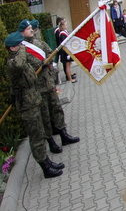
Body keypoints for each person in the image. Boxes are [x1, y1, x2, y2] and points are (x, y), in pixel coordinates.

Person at [5, 32, 63, 178]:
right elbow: (18, 65)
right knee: (36, 137)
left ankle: (47, 161)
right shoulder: (12, 63)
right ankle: (45, 168)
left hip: (34, 100)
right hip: (27, 105)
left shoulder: (20, 59)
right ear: (12, 48)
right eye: (19, 45)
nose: (22, 47)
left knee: (40, 132)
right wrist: (24, 50)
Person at [21, 20, 80, 153]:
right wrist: (41, 64)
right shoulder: (22, 49)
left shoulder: (39, 43)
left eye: (32, 28)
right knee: (45, 117)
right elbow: (26, 69)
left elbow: (50, 54)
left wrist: (53, 78)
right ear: (22, 32)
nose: (32, 30)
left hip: (49, 84)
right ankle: (51, 142)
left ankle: (63, 134)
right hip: (38, 89)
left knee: (57, 110)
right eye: (28, 28)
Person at [54, 17, 75, 83]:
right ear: (62, 26)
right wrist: (67, 53)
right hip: (65, 52)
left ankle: (70, 76)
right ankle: (69, 78)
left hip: (66, 52)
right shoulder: (61, 33)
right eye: (65, 25)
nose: (66, 26)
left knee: (68, 65)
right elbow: (64, 44)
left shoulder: (63, 32)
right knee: (67, 66)